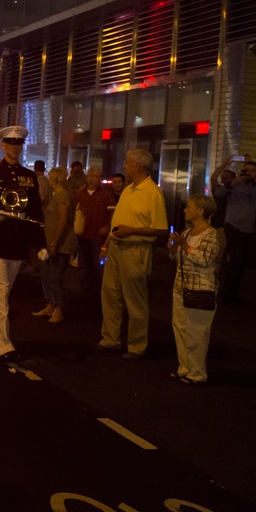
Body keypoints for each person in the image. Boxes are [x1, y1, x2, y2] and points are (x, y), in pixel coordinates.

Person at [0, 126, 45, 362]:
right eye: (10, 143)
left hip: (17, 240)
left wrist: (40, 243)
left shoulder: (28, 176)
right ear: (3, 145)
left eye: (18, 143)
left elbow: (35, 210)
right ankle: (4, 344)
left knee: (3, 293)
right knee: (2, 293)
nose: (14, 147)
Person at [95, 149, 169, 359]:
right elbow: (117, 222)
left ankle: (136, 345)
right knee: (110, 294)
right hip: (117, 248)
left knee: (135, 300)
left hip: (135, 250)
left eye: (127, 163)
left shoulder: (152, 192)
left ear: (137, 166)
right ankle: (111, 338)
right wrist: (106, 245)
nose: (125, 166)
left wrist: (132, 230)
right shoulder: (129, 190)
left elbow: (160, 228)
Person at [167, 194, 220, 385]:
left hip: (200, 289)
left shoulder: (211, 235)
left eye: (188, 207)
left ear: (200, 210)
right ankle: (185, 368)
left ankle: (197, 373)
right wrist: (174, 248)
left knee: (197, 331)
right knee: (180, 328)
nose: (184, 210)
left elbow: (204, 260)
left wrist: (184, 246)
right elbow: (179, 259)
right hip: (181, 287)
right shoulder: (188, 233)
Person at [214, 158, 256, 306]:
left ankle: (233, 294)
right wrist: (232, 182)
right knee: (235, 261)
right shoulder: (235, 185)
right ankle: (224, 294)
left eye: (252, 171)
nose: (249, 173)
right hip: (233, 227)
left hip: (249, 230)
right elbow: (218, 193)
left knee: (242, 263)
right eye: (247, 170)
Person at [33, 167, 76, 322]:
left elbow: (62, 221)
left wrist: (54, 243)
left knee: (54, 276)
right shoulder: (55, 195)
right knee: (45, 274)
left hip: (60, 243)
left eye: (51, 177)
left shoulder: (62, 196)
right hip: (51, 241)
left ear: (55, 179)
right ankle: (50, 304)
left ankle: (59, 308)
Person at [73, 167, 116, 306]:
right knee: (85, 266)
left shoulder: (106, 195)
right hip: (83, 235)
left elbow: (112, 213)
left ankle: (99, 297)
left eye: (98, 176)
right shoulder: (81, 194)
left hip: (97, 237)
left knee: (98, 268)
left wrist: (108, 226)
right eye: (93, 176)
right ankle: (85, 294)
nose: (96, 178)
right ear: (88, 177)